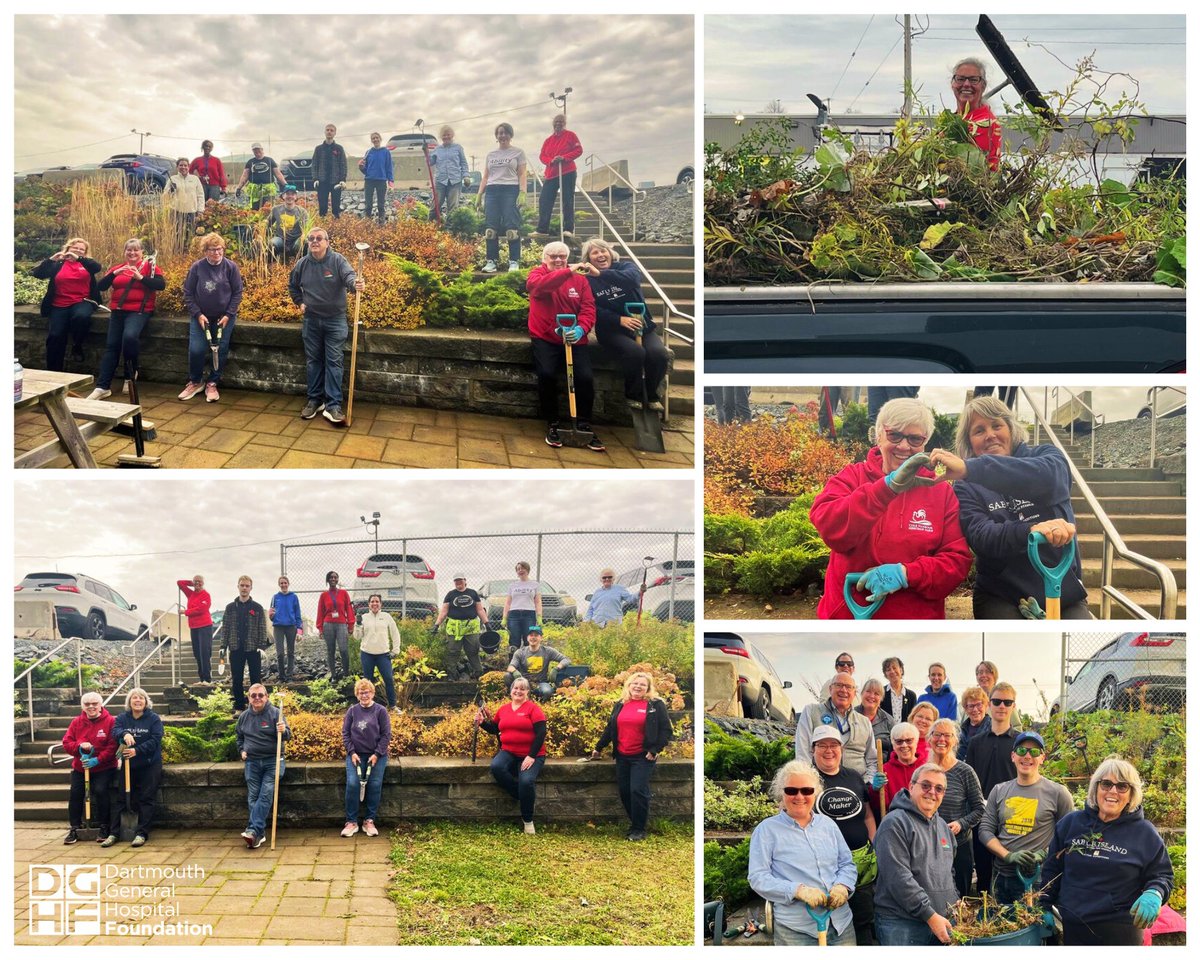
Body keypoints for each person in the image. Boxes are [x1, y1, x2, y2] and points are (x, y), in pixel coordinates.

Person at [930, 394, 1089, 619]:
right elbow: (982, 536)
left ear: (1012, 430)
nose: (990, 435)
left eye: (997, 425)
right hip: (1001, 594)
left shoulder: (1047, 457)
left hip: (1063, 589)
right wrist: (1029, 531)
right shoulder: (965, 486)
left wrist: (972, 468)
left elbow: (1049, 478)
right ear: (969, 441)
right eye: (979, 430)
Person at [811, 397, 972, 619]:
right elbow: (831, 529)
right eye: (894, 435)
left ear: (925, 443)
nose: (904, 446)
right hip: (848, 614)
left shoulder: (941, 491)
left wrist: (906, 574)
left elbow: (956, 562)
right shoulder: (851, 477)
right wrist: (887, 488)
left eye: (915, 439)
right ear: (878, 436)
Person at [1041, 756, 1174, 945]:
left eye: (1122, 786)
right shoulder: (1070, 824)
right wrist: (1044, 905)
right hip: (1073, 926)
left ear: (1131, 794)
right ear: (1096, 788)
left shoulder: (1145, 833)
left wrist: (1155, 892)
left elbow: (1162, 875)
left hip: (1121, 930)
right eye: (1106, 784)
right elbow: (1052, 870)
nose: (1113, 791)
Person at [748, 760, 858, 946]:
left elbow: (847, 864)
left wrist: (843, 886)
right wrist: (798, 891)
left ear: (815, 793)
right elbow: (758, 878)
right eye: (792, 790)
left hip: (841, 924)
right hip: (795, 931)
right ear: (782, 793)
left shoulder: (828, 825)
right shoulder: (766, 830)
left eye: (807, 790)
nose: (799, 796)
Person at [978, 730, 1075, 904]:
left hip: (1037, 879)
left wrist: (1044, 853)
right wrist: (1008, 856)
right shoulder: (999, 790)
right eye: (1022, 750)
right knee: (1000, 920)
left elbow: (1069, 836)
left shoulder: (1058, 793)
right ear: (1013, 756)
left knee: (1033, 921)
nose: (1027, 756)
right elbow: (985, 830)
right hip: (1001, 876)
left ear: (1042, 758)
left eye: (1034, 752)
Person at [526, 241, 603, 452]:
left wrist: (581, 329)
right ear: (544, 259)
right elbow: (538, 288)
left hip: (574, 338)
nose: (558, 260)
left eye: (562, 256)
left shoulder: (580, 280)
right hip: (545, 337)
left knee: (584, 377)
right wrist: (568, 271)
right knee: (546, 374)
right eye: (553, 256)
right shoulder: (537, 274)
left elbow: (588, 308)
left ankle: (584, 424)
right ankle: (552, 422)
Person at [579, 238, 669, 411]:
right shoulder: (587, 280)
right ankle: (633, 395)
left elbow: (633, 279)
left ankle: (651, 395)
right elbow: (592, 308)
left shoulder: (626, 267)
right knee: (635, 352)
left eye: (603, 250)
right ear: (588, 259)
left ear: (610, 253)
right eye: (595, 252)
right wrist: (619, 319)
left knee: (659, 354)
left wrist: (601, 274)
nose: (600, 255)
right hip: (611, 330)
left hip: (641, 325)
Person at [873, 763, 957, 945]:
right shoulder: (894, 823)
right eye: (925, 785)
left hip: (939, 921)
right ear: (911, 787)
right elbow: (898, 878)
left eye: (939, 789)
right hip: (902, 924)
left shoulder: (944, 827)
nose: (932, 792)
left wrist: (954, 900)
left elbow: (949, 871)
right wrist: (929, 914)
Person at [288, 227, 365, 424]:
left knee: (334, 362)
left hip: (335, 320)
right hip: (311, 320)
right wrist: (300, 302)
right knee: (313, 361)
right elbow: (293, 286)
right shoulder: (302, 264)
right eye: (311, 239)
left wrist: (355, 284)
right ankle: (315, 401)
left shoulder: (337, 260)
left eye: (319, 238)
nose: (315, 241)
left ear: (327, 242)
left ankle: (333, 406)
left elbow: (349, 277)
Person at [811, 728, 877, 945]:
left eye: (834, 745)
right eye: (822, 745)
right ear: (813, 750)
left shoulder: (854, 777)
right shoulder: (806, 780)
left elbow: (868, 815)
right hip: (825, 865)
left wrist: (873, 842)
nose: (828, 750)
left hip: (861, 861)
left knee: (863, 917)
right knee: (830, 919)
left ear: (842, 749)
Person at [591, 671, 673, 841]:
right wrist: (599, 747)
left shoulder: (655, 705)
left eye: (642, 684)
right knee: (625, 791)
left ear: (648, 688)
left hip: (643, 756)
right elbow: (610, 728)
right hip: (622, 755)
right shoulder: (621, 704)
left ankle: (639, 829)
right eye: (635, 683)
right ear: (629, 685)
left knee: (637, 790)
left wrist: (655, 749)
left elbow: (666, 730)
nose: (638, 687)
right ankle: (635, 823)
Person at [86, 238, 165, 401]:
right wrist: (114, 274)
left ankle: (130, 375)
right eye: (129, 250)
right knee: (112, 346)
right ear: (124, 252)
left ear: (142, 252)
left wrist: (140, 277)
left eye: (136, 250)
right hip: (118, 311)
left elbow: (160, 285)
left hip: (139, 311)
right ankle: (102, 386)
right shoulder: (118, 268)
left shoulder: (149, 267)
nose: (132, 253)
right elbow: (100, 286)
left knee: (129, 337)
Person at [964, 680, 1020, 896]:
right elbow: (970, 781)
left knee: (1010, 866)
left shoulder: (1020, 742)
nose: (1002, 706)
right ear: (989, 705)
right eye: (996, 701)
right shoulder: (976, 742)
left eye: (1007, 702)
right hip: (983, 813)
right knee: (983, 866)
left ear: (1013, 706)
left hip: (1012, 813)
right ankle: (985, 907)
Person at [476, 676, 547, 835]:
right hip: (508, 751)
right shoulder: (504, 709)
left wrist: (531, 756)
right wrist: (482, 723)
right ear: (511, 691)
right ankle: (520, 794)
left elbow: (541, 733)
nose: (518, 691)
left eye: (522, 688)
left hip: (532, 754)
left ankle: (527, 820)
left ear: (527, 692)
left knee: (526, 781)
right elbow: (495, 729)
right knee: (496, 767)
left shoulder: (533, 709)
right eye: (516, 688)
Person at [179, 232, 243, 403]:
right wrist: (198, 314)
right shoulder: (197, 268)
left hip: (224, 318)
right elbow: (188, 292)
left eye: (219, 249)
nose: (217, 252)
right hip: (201, 317)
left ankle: (212, 383)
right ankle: (195, 382)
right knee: (196, 349)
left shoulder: (231, 267)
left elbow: (237, 292)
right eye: (213, 249)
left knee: (220, 350)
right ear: (205, 251)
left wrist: (228, 314)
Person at [795, 673, 885, 794]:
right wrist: (810, 784)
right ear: (830, 689)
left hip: (857, 787)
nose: (843, 690)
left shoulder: (864, 722)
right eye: (839, 685)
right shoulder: (811, 711)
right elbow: (803, 753)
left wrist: (867, 783)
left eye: (848, 687)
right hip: (821, 787)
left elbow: (872, 759)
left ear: (854, 693)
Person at [928, 718, 985, 897]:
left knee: (960, 896)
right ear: (930, 738)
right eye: (937, 734)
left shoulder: (965, 772)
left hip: (958, 846)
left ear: (955, 741)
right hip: (929, 844)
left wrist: (961, 823)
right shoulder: (924, 771)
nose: (941, 740)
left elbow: (979, 808)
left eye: (947, 735)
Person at [32, 238, 101, 370]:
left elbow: (97, 268)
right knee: (55, 335)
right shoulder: (59, 264)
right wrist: (51, 259)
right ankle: (54, 371)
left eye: (81, 249)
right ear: (68, 249)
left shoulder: (87, 264)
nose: (78, 251)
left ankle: (77, 346)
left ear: (85, 253)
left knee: (81, 317)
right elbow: (38, 274)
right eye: (75, 248)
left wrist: (79, 259)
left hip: (82, 301)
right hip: (59, 304)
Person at [106, 688, 163, 848]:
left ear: (146, 702)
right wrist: (125, 733)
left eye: (141, 698)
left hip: (149, 764)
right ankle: (114, 833)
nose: (137, 701)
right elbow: (115, 731)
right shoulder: (122, 718)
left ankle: (141, 833)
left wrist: (136, 750)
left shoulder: (153, 718)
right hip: (128, 764)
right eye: (134, 698)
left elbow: (156, 739)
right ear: (129, 702)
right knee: (122, 798)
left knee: (146, 798)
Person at [237, 683, 290, 849]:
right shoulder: (244, 717)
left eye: (260, 695)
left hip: (273, 761)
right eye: (253, 695)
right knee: (253, 796)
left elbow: (288, 736)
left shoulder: (276, 713)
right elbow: (239, 738)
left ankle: (253, 831)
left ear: (266, 697)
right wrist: (241, 750)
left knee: (266, 793)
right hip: (252, 761)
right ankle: (257, 835)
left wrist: (283, 730)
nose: (257, 698)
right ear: (249, 698)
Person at [62, 692, 118, 845]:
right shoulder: (76, 722)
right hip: (81, 767)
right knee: (75, 793)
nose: (91, 707)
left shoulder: (110, 721)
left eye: (94, 704)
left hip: (104, 767)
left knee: (100, 790)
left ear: (100, 705)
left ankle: (104, 826)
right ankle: (75, 827)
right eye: (87, 704)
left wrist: (97, 760)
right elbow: (67, 743)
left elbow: (112, 746)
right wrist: (79, 746)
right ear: (83, 706)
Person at [341, 678, 391, 837]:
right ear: (357, 695)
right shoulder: (352, 711)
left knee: (374, 785)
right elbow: (345, 733)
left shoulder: (381, 711)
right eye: (361, 693)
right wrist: (352, 752)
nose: (364, 695)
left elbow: (386, 735)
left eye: (367, 692)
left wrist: (377, 754)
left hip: (377, 755)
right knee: (353, 784)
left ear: (373, 693)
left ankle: (369, 821)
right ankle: (351, 822)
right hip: (355, 755)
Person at [476, 122, 527, 273]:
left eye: (505, 132)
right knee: (490, 229)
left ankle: (514, 261)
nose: (502, 135)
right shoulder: (491, 155)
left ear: (510, 135)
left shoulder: (518, 152)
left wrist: (522, 192)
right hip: (492, 190)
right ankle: (491, 261)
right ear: (496, 136)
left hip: (510, 190)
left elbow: (522, 173)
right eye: (500, 133)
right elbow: (486, 176)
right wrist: (479, 194)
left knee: (511, 228)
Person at [222, 576, 269, 711]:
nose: (244, 588)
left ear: (251, 588)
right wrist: (223, 646)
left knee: (255, 679)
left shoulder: (257, 608)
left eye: (247, 586)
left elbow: (262, 627)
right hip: (235, 648)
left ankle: (256, 707)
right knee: (237, 679)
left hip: (253, 648)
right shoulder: (230, 608)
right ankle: (239, 706)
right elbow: (225, 628)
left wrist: (261, 646)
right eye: (242, 585)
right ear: (238, 586)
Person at [950, 57, 1001, 171]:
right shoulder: (951, 120)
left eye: (973, 80)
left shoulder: (987, 123)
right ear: (952, 84)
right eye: (960, 79)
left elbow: (967, 167)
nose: (966, 84)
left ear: (983, 86)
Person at [536, 114, 582, 236]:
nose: (558, 124)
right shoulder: (548, 140)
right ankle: (542, 229)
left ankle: (568, 229)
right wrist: (551, 161)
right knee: (544, 200)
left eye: (561, 122)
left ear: (564, 123)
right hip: (551, 174)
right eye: (556, 122)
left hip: (567, 172)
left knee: (567, 199)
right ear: (553, 124)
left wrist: (564, 158)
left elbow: (578, 150)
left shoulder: (571, 135)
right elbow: (542, 156)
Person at [433, 576, 486, 682]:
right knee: (453, 651)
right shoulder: (450, 594)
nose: (458, 582)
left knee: (473, 650)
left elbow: (480, 610)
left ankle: (478, 673)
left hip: (471, 628)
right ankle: (451, 674)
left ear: (465, 581)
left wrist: (487, 623)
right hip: (454, 629)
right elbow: (444, 611)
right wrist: (436, 625)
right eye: (456, 581)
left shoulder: (473, 593)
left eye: (460, 580)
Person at [355, 593, 401, 709]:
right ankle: (368, 706)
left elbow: (395, 633)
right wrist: (358, 624)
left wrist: (395, 650)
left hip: (383, 655)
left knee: (388, 679)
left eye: (377, 601)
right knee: (368, 682)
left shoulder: (386, 617)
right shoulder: (364, 617)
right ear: (368, 604)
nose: (374, 603)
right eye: (372, 601)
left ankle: (393, 706)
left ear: (381, 604)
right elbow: (357, 637)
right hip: (367, 654)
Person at [505, 625, 570, 697]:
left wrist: (556, 669)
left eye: (536, 635)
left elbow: (566, 659)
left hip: (541, 683)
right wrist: (515, 672)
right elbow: (510, 667)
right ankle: (512, 696)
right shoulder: (520, 652)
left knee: (547, 692)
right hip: (524, 682)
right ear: (527, 638)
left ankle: (536, 697)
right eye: (531, 635)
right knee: (508, 676)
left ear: (541, 638)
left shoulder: (548, 651)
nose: (533, 637)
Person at [316, 570, 354, 680]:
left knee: (344, 650)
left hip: (341, 624)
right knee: (330, 651)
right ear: (328, 580)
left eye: (335, 577)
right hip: (328, 625)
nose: (333, 579)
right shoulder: (323, 595)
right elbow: (320, 612)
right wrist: (320, 628)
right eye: (331, 577)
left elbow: (349, 609)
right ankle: (333, 675)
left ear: (337, 580)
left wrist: (350, 625)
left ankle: (346, 674)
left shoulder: (344, 593)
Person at [176, 574, 214, 682]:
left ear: (203, 583)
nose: (197, 583)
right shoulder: (191, 594)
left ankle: (207, 679)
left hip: (205, 626)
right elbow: (180, 583)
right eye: (195, 581)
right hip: (194, 627)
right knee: (197, 653)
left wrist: (185, 612)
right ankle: (202, 678)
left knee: (204, 652)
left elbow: (201, 609)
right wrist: (192, 583)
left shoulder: (206, 595)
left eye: (199, 581)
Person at [268, 575, 301, 683]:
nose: (283, 585)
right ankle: (281, 676)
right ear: (279, 585)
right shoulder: (275, 597)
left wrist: (299, 629)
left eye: (285, 583)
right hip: (278, 627)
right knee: (280, 653)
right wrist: (271, 616)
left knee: (291, 652)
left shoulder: (294, 597)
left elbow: (297, 613)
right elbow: (271, 613)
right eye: (281, 583)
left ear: (288, 584)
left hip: (291, 626)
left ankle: (289, 676)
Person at [235, 142, 287, 210]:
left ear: (262, 149)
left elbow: (278, 174)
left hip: (268, 190)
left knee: (268, 209)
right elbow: (245, 176)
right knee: (254, 209)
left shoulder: (270, 160)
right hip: (254, 190)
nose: (257, 151)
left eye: (258, 149)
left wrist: (285, 185)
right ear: (253, 151)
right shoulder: (250, 162)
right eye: (255, 150)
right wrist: (239, 188)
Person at [164, 157, 205, 243]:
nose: (183, 167)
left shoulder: (195, 179)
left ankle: (188, 250)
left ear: (188, 167)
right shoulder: (172, 179)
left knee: (190, 235)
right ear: (177, 167)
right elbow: (165, 196)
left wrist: (200, 210)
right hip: (176, 211)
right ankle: (177, 250)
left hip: (191, 212)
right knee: (177, 235)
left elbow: (200, 195)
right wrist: (171, 190)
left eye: (185, 165)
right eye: (181, 165)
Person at [430, 125, 469, 214]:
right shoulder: (437, 149)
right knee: (435, 205)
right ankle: (432, 221)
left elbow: (463, 163)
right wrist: (426, 153)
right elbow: (430, 163)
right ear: (441, 137)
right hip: (440, 181)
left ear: (452, 135)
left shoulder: (458, 148)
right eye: (444, 135)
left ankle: (450, 223)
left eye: (448, 135)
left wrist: (466, 176)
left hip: (455, 181)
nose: (446, 137)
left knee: (453, 207)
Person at [312, 123, 347, 219]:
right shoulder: (318, 149)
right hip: (322, 181)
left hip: (336, 182)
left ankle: (336, 223)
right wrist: (315, 178)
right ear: (324, 132)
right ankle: (323, 223)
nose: (329, 132)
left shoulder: (339, 148)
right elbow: (314, 165)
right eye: (327, 130)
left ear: (335, 133)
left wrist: (342, 179)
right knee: (322, 207)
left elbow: (343, 165)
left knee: (336, 207)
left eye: (331, 130)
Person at [503, 562, 541, 649]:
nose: (520, 570)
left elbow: (538, 602)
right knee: (514, 640)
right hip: (514, 615)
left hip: (529, 615)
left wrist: (539, 616)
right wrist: (504, 617)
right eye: (518, 569)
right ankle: (514, 657)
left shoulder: (535, 585)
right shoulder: (512, 586)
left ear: (527, 570)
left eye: (522, 568)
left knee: (529, 639)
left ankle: (529, 657)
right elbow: (508, 603)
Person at [358, 131, 393, 223]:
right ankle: (368, 224)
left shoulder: (386, 152)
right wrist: (361, 167)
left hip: (381, 181)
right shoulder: (368, 152)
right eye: (373, 138)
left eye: (377, 137)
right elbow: (365, 170)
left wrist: (391, 181)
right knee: (368, 206)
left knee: (381, 206)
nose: (375, 139)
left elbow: (389, 167)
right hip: (369, 181)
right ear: (371, 141)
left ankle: (381, 225)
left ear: (380, 139)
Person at [881, 722, 922, 803]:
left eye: (909, 740)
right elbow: (880, 805)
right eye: (899, 741)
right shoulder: (885, 770)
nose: (904, 745)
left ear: (916, 742)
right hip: (895, 811)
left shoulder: (925, 767)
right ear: (893, 745)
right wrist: (875, 791)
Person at [855, 678, 895, 759]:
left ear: (881, 698)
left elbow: (895, 747)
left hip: (881, 764)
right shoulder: (851, 715)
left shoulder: (889, 720)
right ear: (862, 693)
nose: (872, 696)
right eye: (868, 691)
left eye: (876, 694)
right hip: (856, 763)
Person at [267, 186, 309, 263]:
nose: (290, 196)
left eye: (292, 194)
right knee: (272, 243)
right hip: (280, 240)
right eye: (287, 194)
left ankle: (300, 263)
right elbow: (267, 224)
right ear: (283, 196)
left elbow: (306, 229)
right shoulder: (276, 209)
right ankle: (273, 264)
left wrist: (303, 237)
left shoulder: (302, 212)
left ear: (296, 197)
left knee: (305, 242)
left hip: (295, 241)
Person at [957, 685, 992, 760]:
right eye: (971, 706)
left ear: (986, 706)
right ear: (965, 709)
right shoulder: (959, 731)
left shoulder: (993, 729)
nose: (975, 709)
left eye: (979, 705)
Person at [881, 656, 916, 723]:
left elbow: (912, 719)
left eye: (894, 668)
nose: (892, 671)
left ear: (901, 670)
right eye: (888, 670)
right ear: (885, 674)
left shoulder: (911, 696)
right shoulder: (881, 693)